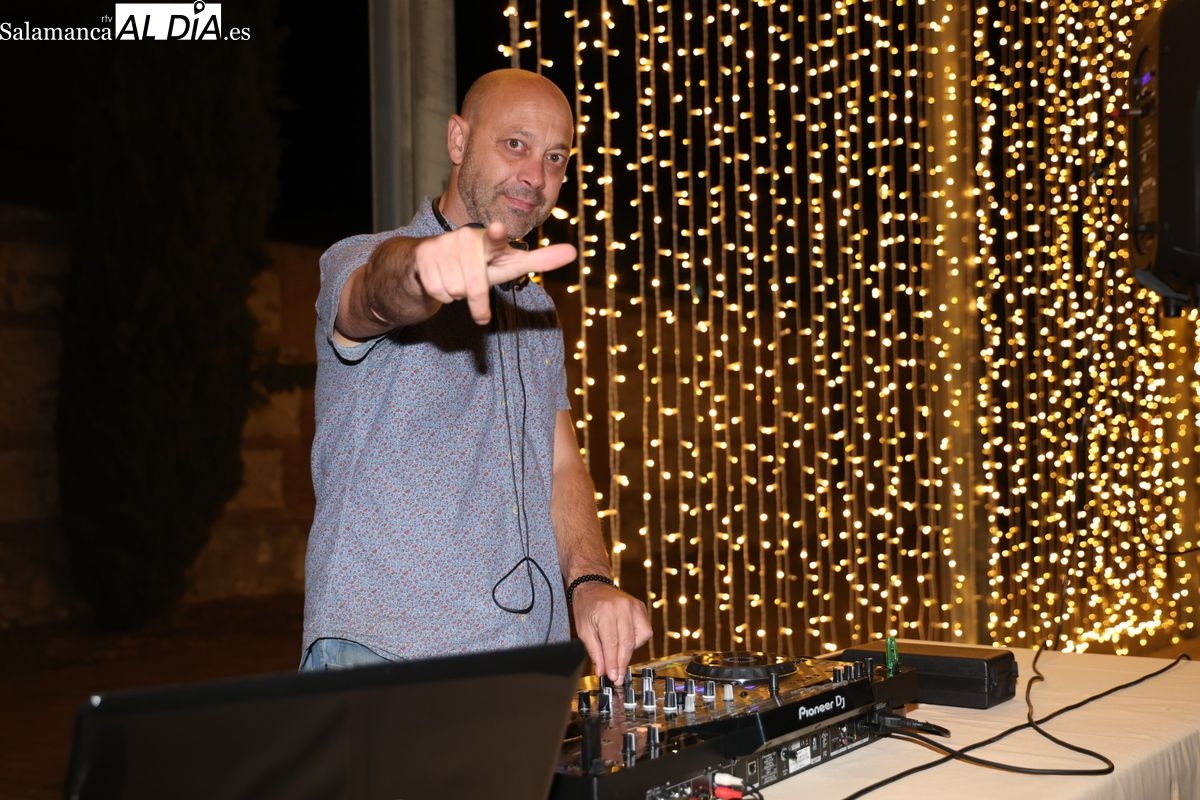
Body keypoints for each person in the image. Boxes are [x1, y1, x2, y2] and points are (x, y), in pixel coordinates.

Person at [302, 68, 652, 685]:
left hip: (525, 663)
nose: (535, 175)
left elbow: (559, 465)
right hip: (386, 656)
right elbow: (374, 297)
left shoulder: (536, 309)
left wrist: (591, 581)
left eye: (555, 157)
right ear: (458, 140)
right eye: (515, 144)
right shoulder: (359, 257)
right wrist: (423, 271)